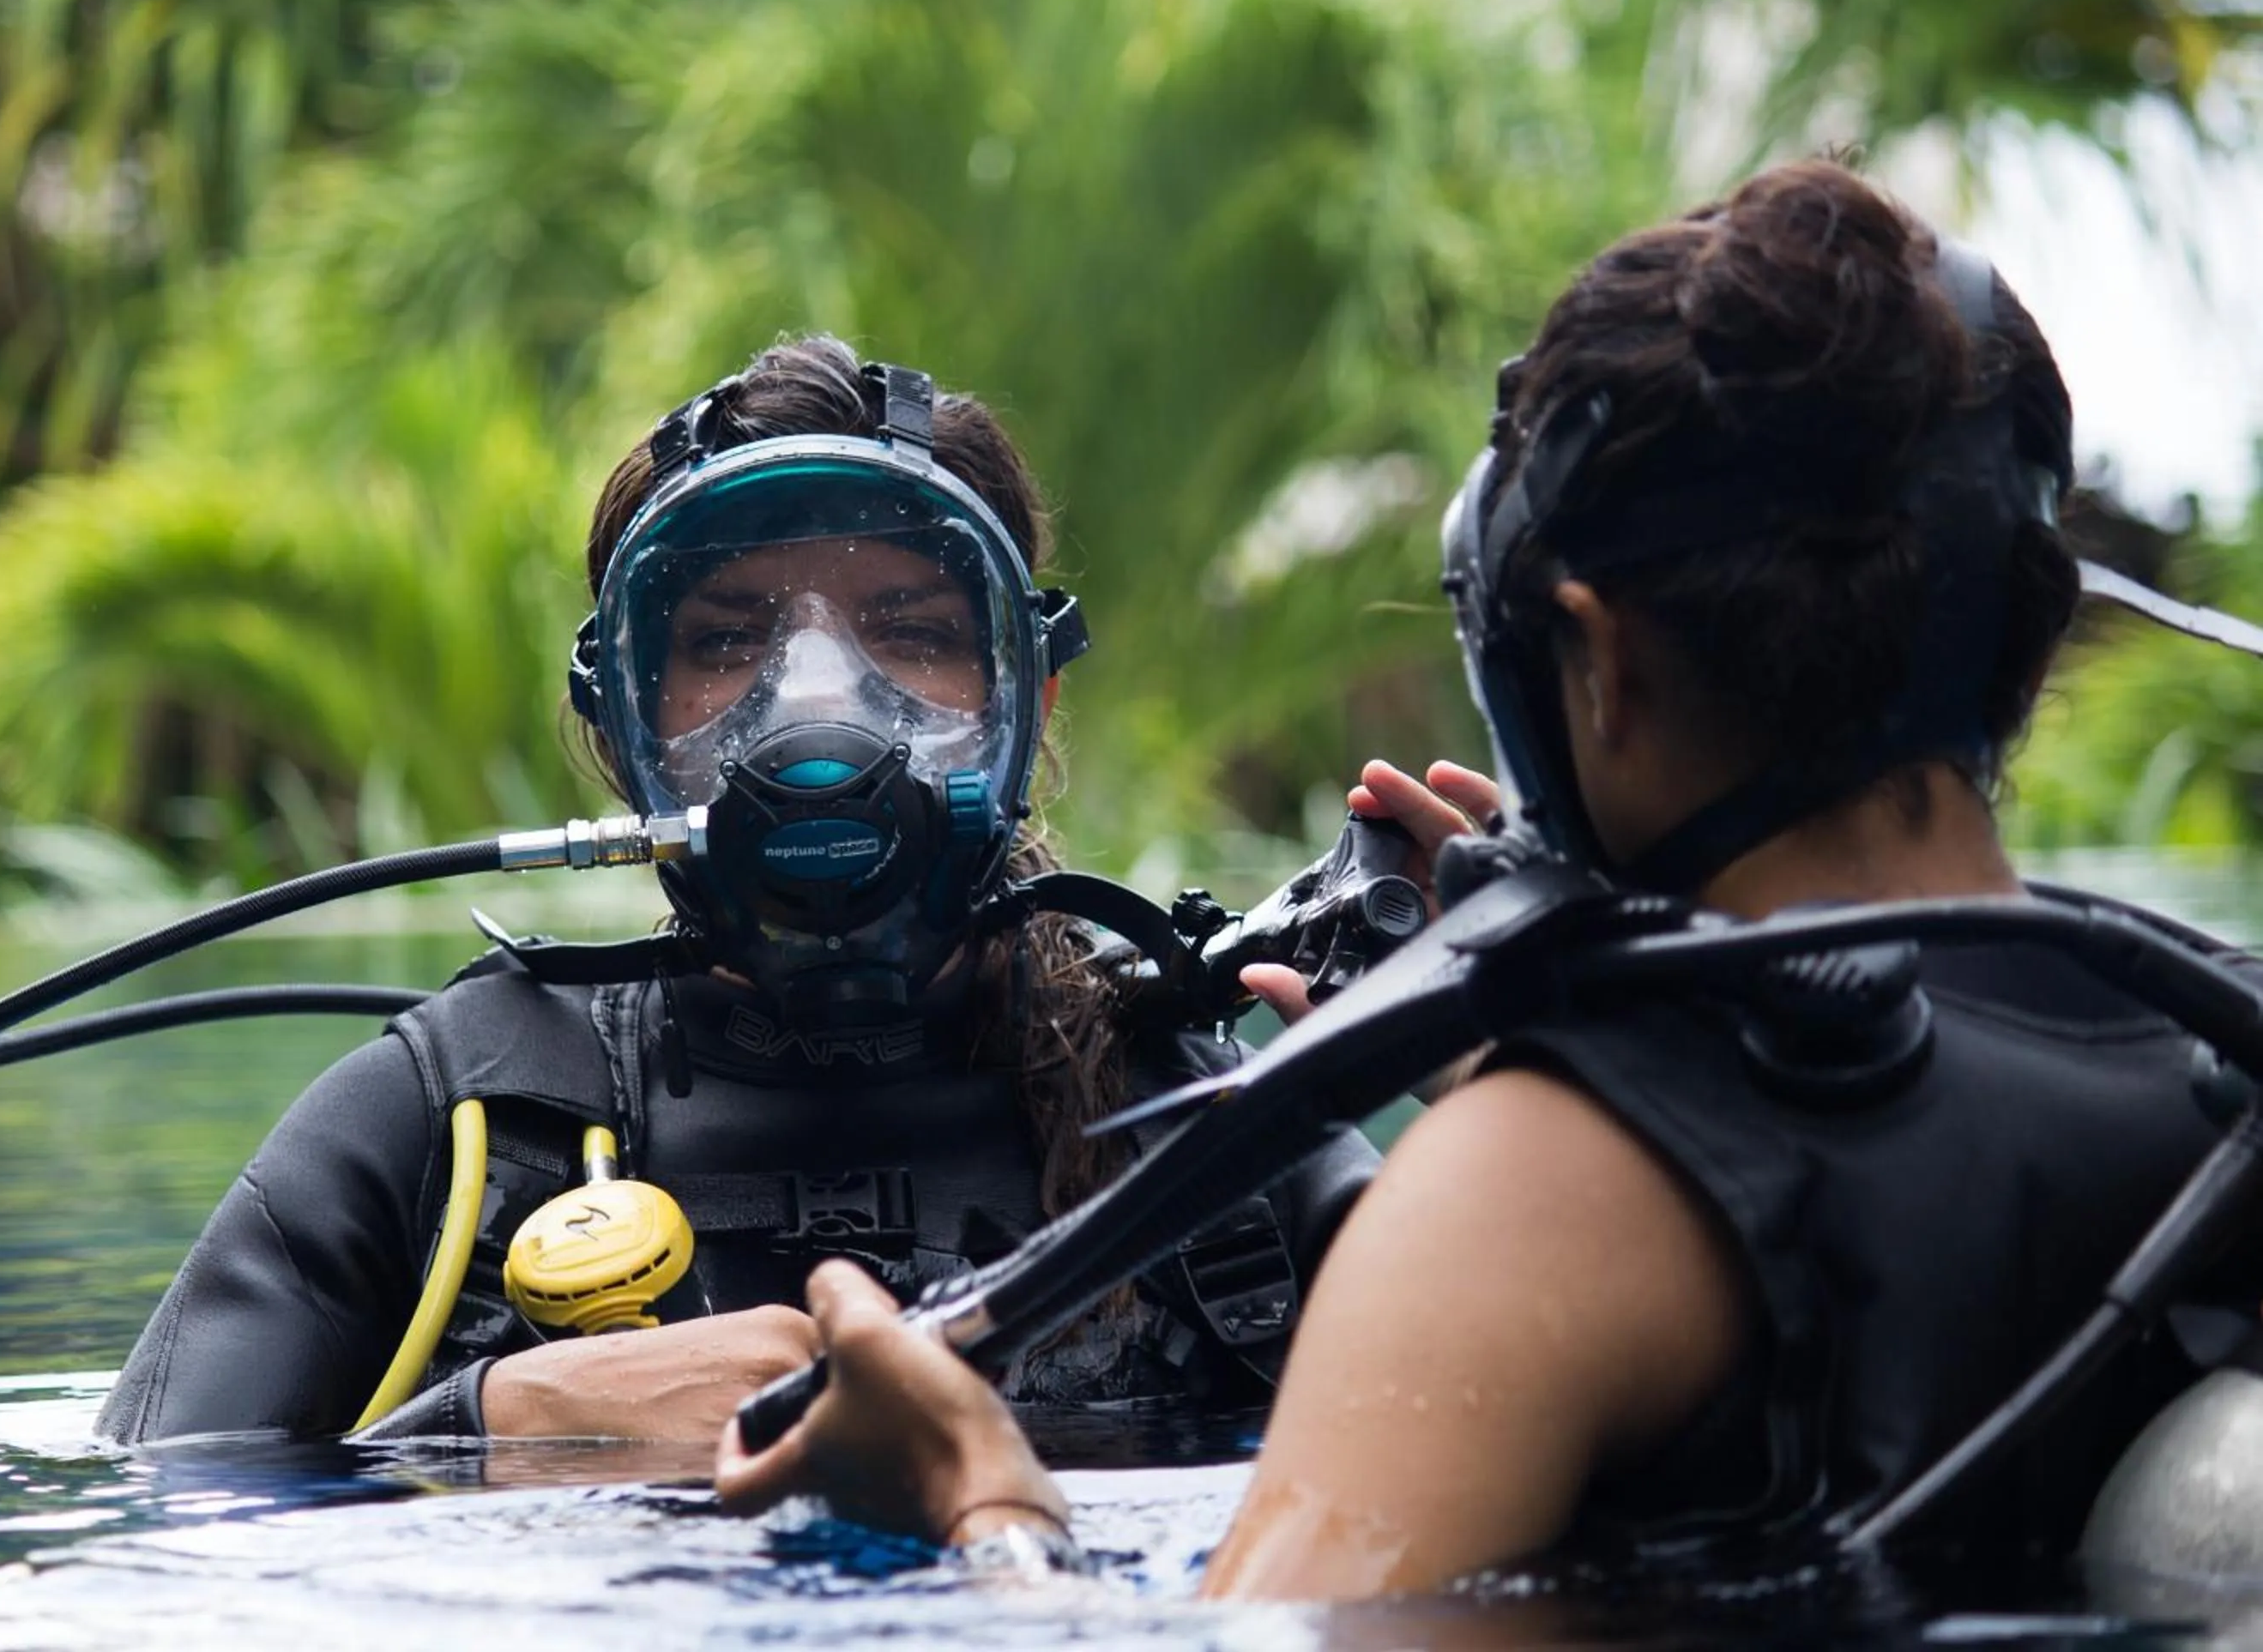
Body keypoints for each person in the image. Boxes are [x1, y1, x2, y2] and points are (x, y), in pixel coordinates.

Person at [712, 161, 2248, 1595]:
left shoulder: (1536, 1196)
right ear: (2032, 638)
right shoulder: (2201, 1068)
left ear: (1598, 661)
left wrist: (982, 1497)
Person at [94, 336, 1380, 1446]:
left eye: (915, 630)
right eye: (724, 642)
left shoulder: (1210, 1129)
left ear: (1025, 697)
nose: (818, 705)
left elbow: (1547, 1446)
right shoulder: (448, 1126)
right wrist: (502, 1418)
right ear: (620, 729)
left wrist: (1523, 1081)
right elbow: (150, 1533)